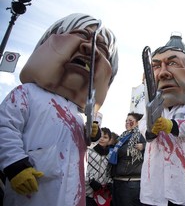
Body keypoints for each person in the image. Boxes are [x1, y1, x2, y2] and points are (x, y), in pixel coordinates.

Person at [0, 13, 118, 206]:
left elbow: (77, 146)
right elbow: (5, 127)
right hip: (32, 191)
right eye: (80, 35)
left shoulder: (82, 112)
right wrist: (14, 164)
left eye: (101, 48)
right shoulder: (27, 93)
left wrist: (91, 136)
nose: (90, 48)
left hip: (71, 194)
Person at [139, 34, 185, 206]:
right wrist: (151, 129)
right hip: (154, 184)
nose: (164, 72)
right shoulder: (150, 108)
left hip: (182, 179)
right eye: (157, 66)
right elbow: (143, 126)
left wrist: (170, 125)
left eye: (172, 63)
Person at [109, 112, 146, 206]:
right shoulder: (122, 137)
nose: (127, 122)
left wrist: (144, 146)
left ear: (137, 123)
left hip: (131, 183)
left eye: (130, 120)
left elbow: (153, 148)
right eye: (126, 121)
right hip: (118, 180)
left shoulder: (141, 135)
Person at [86, 127, 113, 206]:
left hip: (101, 193)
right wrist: (91, 181)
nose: (102, 139)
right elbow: (81, 168)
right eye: (100, 136)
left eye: (105, 137)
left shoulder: (110, 155)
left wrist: (110, 183)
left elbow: (109, 171)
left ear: (109, 140)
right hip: (86, 191)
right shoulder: (88, 151)